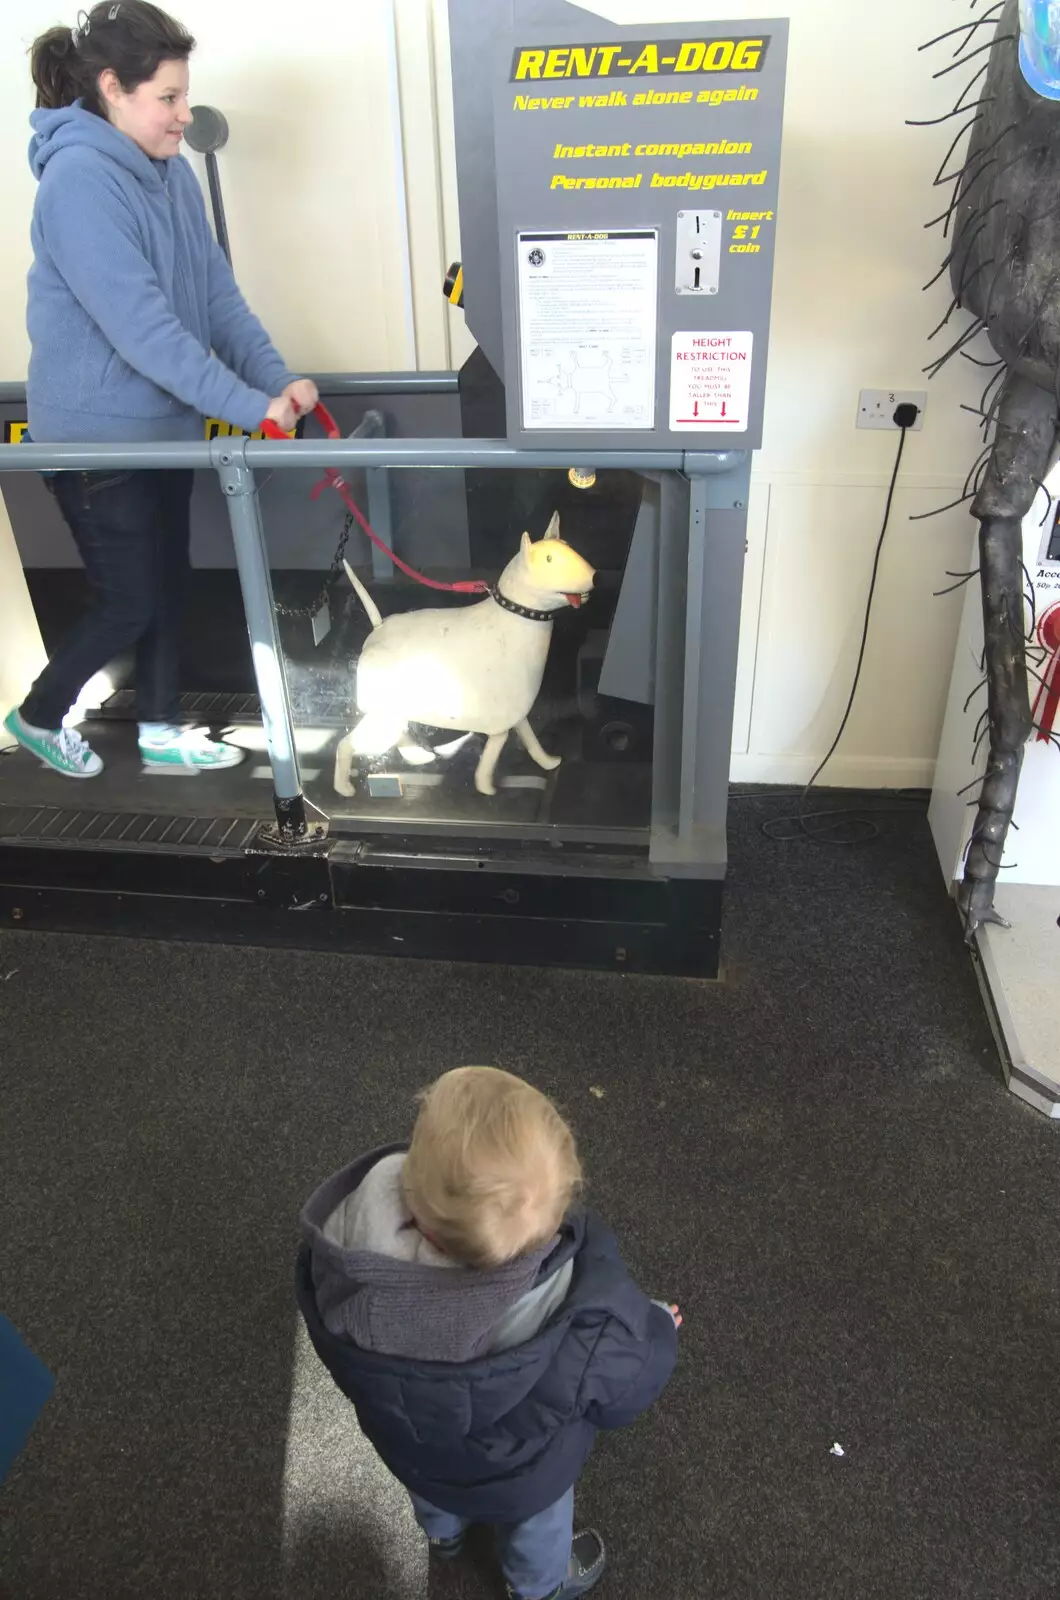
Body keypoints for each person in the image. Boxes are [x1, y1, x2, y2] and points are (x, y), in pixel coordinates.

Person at [3, 0, 317, 777]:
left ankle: (162, 728)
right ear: (113, 87)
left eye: (183, 96)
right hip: (92, 439)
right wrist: (251, 408)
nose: (183, 115)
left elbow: (217, 299)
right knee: (129, 600)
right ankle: (38, 714)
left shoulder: (171, 175)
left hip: (162, 430)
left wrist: (277, 381)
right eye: (168, 98)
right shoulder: (78, 181)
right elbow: (143, 331)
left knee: (169, 587)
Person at [296, 1067, 681, 1600]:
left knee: (431, 1486)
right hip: (520, 1472)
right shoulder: (575, 1314)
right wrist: (655, 1320)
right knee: (536, 1522)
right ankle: (539, 1586)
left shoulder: (347, 1244)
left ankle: (444, 1534)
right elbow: (629, 1385)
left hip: (412, 1449)